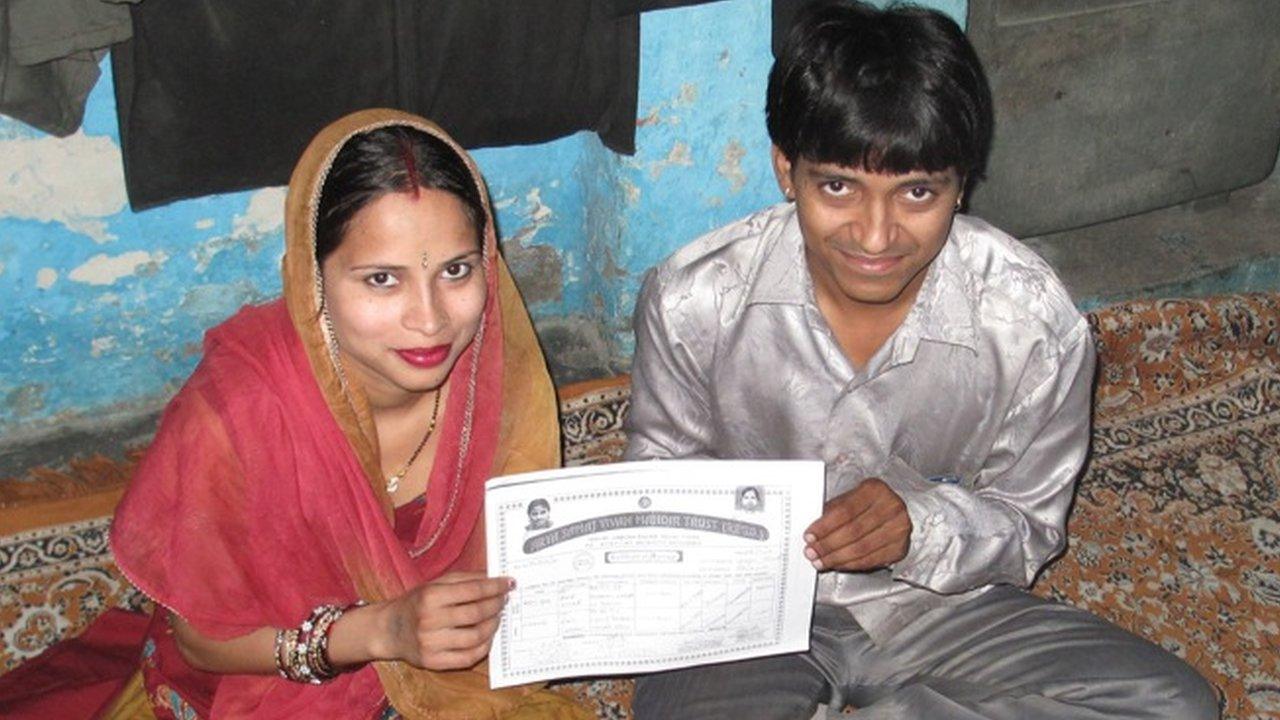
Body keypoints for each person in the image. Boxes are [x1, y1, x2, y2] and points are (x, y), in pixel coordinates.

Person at [622, 3, 1219, 718]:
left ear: (962, 184)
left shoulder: (1031, 324)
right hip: (748, 610)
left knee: (1177, 708)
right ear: (787, 170)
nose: (875, 236)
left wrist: (921, 524)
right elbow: (656, 485)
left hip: (935, 608)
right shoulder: (695, 300)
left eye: (917, 192)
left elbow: (1029, 528)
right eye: (838, 186)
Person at [109, 109, 589, 720]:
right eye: (383, 279)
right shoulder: (239, 409)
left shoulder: (492, 376)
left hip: (442, 668)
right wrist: (381, 632)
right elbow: (200, 641)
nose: (431, 319)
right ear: (315, 280)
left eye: (457, 270)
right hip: (279, 677)